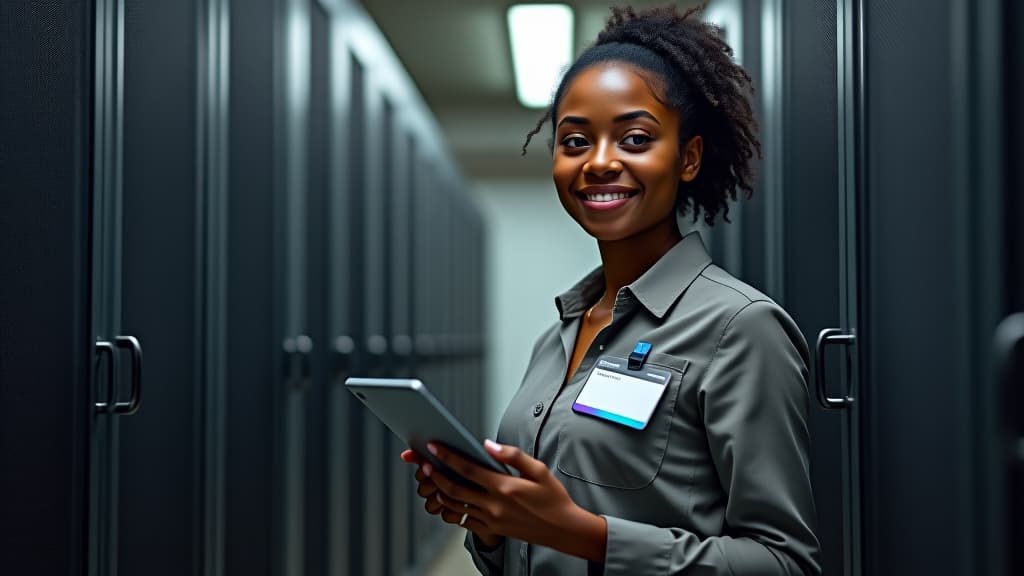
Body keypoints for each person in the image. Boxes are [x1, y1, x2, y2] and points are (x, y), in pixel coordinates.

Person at [400, 4, 821, 574]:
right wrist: (493, 524)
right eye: (574, 142)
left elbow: (785, 562)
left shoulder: (739, 328)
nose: (599, 162)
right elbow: (525, 549)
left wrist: (587, 536)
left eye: (636, 138)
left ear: (688, 157)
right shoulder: (558, 337)